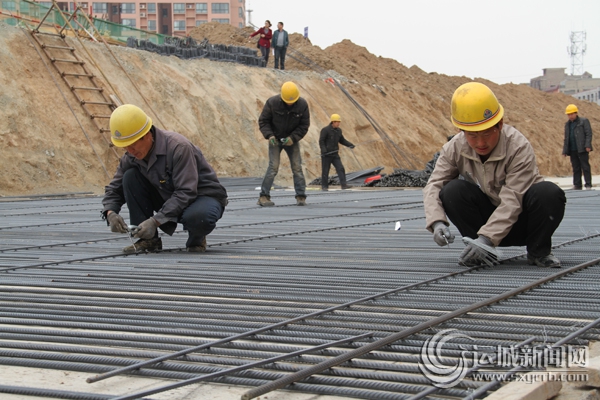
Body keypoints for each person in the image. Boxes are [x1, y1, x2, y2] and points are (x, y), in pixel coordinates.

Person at [423, 82, 566, 268]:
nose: (481, 142)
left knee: (548, 193)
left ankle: (538, 252)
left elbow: (513, 199)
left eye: (487, 133)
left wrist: (487, 239)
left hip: (523, 222)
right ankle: (479, 252)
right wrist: (437, 223)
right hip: (485, 224)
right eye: (473, 136)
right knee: (452, 191)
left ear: (499, 124)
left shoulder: (518, 147)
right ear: (461, 131)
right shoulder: (455, 148)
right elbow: (434, 185)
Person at [101, 104, 228, 254]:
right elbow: (115, 188)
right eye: (125, 147)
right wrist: (110, 213)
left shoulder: (178, 148)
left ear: (147, 134)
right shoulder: (132, 156)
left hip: (201, 197)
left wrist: (155, 221)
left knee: (199, 217)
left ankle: (197, 237)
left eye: (133, 144)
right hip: (169, 196)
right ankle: (149, 240)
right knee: (130, 177)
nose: (130, 151)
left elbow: (186, 192)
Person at [257, 81, 310, 207]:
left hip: (291, 140)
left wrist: (293, 138)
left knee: (297, 167)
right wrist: (270, 136)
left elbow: (304, 125)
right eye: (287, 101)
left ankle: (301, 196)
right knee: (273, 167)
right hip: (275, 138)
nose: (290, 103)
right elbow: (263, 121)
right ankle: (264, 196)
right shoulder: (272, 103)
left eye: (292, 101)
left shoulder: (302, 105)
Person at [319, 114, 355, 190]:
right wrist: (324, 150)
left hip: (335, 154)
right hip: (326, 155)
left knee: (340, 168)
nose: (338, 123)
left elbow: (342, 140)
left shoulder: (339, 131)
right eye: (337, 122)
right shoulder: (325, 130)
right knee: (325, 171)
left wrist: (350, 145)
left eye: (339, 122)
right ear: (333, 122)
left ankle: (344, 185)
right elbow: (321, 141)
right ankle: (324, 186)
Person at [562, 104, 593, 190]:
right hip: (572, 149)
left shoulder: (583, 121)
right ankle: (577, 185)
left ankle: (588, 185)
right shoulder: (567, 124)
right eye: (569, 114)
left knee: (585, 167)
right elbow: (566, 138)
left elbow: (588, 134)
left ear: (576, 113)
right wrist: (565, 150)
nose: (570, 116)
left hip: (582, 148)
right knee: (576, 167)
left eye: (572, 114)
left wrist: (587, 145)